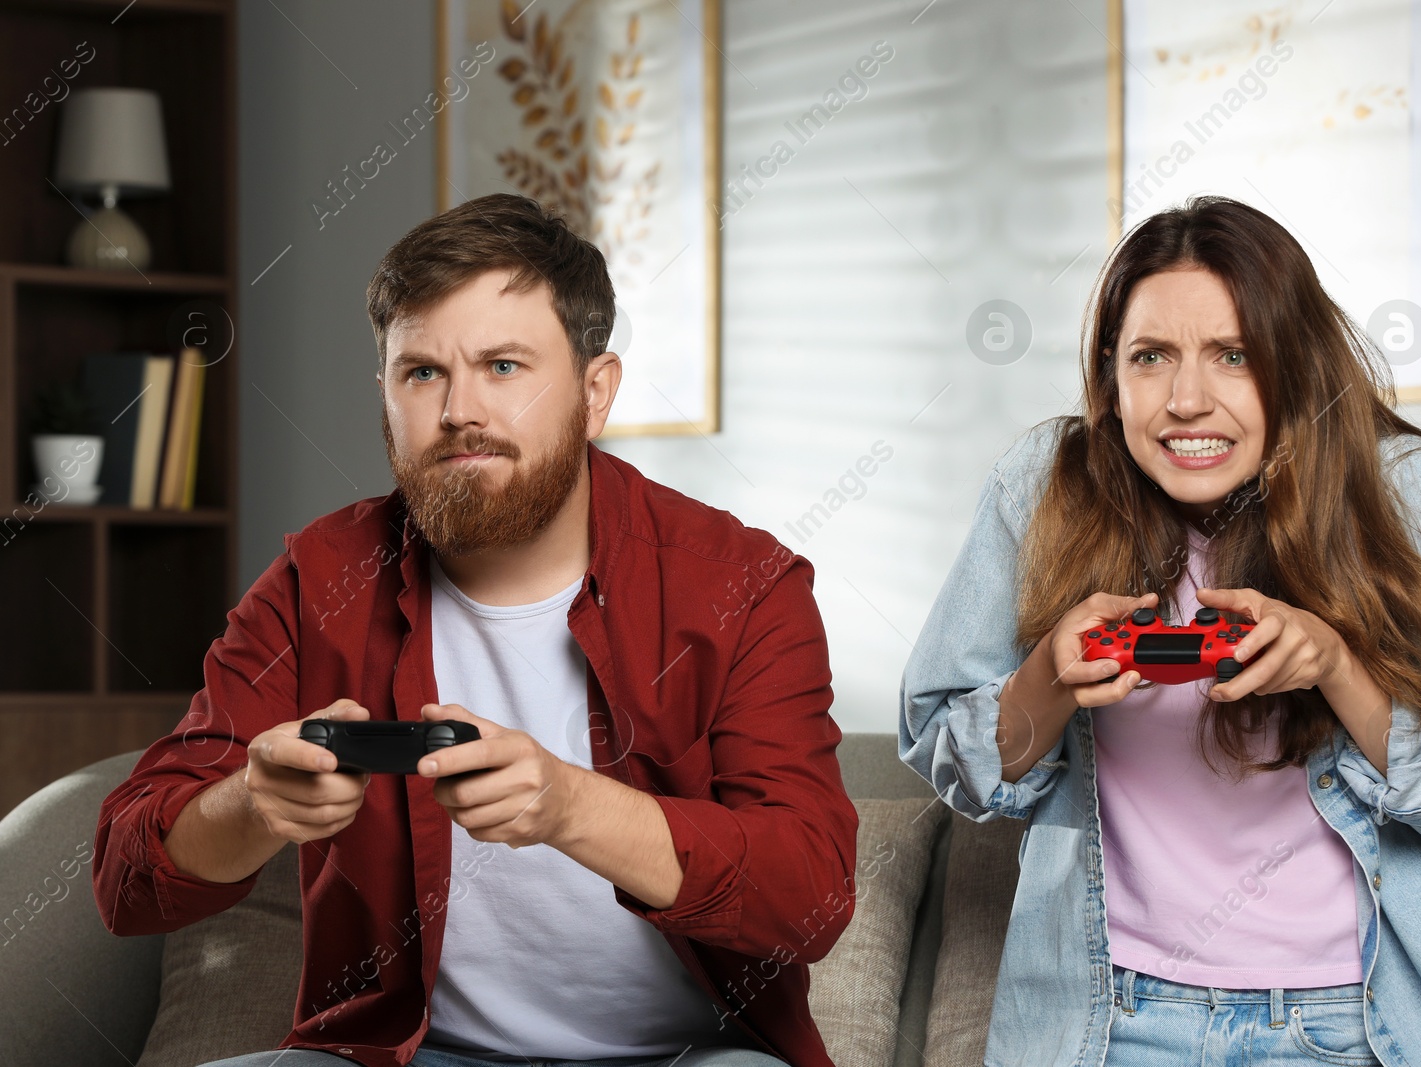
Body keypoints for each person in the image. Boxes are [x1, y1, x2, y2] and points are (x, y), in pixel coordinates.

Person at [94, 193, 857, 1067]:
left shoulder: (744, 584)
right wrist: (252, 803)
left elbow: (811, 900)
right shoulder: (320, 577)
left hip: (691, 1057)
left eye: (502, 366)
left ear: (594, 391)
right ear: (384, 395)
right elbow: (126, 883)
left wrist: (569, 806)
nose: (460, 410)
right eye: (422, 372)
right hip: (410, 1055)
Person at [901, 196, 1421, 1067]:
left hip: (1349, 1023)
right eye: (1151, 357)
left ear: (1297, 366)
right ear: (1110, 377)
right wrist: (1047, 682)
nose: (1187, 401)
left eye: (1233, 356)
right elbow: (944, 749)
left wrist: (1336, 665)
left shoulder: (1414, 497)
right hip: (1107, 1020)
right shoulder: (1045, 488)